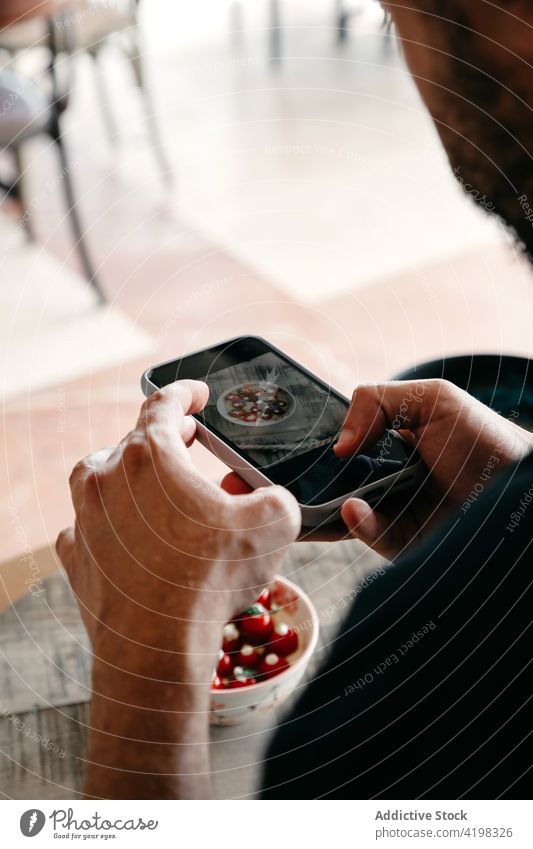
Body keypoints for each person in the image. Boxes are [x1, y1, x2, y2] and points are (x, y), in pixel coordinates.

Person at [57, 0, 533, 798]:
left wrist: (143, 656)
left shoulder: (407, 696)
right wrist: (494, 505)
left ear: (503, 27)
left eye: (391, 15)